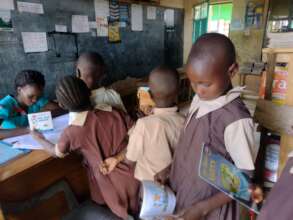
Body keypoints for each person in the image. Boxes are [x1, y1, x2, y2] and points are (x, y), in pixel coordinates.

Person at [156, 33, 258, 220]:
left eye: (205, 84)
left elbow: (244, 183)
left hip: (210, 208)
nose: (198, 90)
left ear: (232, 71)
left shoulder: (236, 120)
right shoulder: (199, 100)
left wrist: (203, 208)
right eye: (193, 83)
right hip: (186, 195)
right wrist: (170, 169)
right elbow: (190, 147)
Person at [31, 76, 139, 220]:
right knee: (137, 205)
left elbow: (57, 152)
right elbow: (137, 134)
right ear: (89, 93)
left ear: (62, 105)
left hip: (109, 182)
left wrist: (39, 138)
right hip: (132, 170)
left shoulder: (71, 132)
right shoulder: (112, 111)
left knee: (120, 212)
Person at [101, 66, 185, 181]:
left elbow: (130, 159)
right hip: (175, 180)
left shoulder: (143, 124)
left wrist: (116, 158)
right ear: (178, 92)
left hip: (150, 185)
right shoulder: (185, 121)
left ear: (149, 94)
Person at [0, 70, 59, 139]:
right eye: (30, 96)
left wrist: (41, 113)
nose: (35, 100)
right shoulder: (5, 105)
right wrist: (28, 130)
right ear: (19, 90)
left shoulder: (37, 98)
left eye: (39, 96)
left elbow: (60, 108)